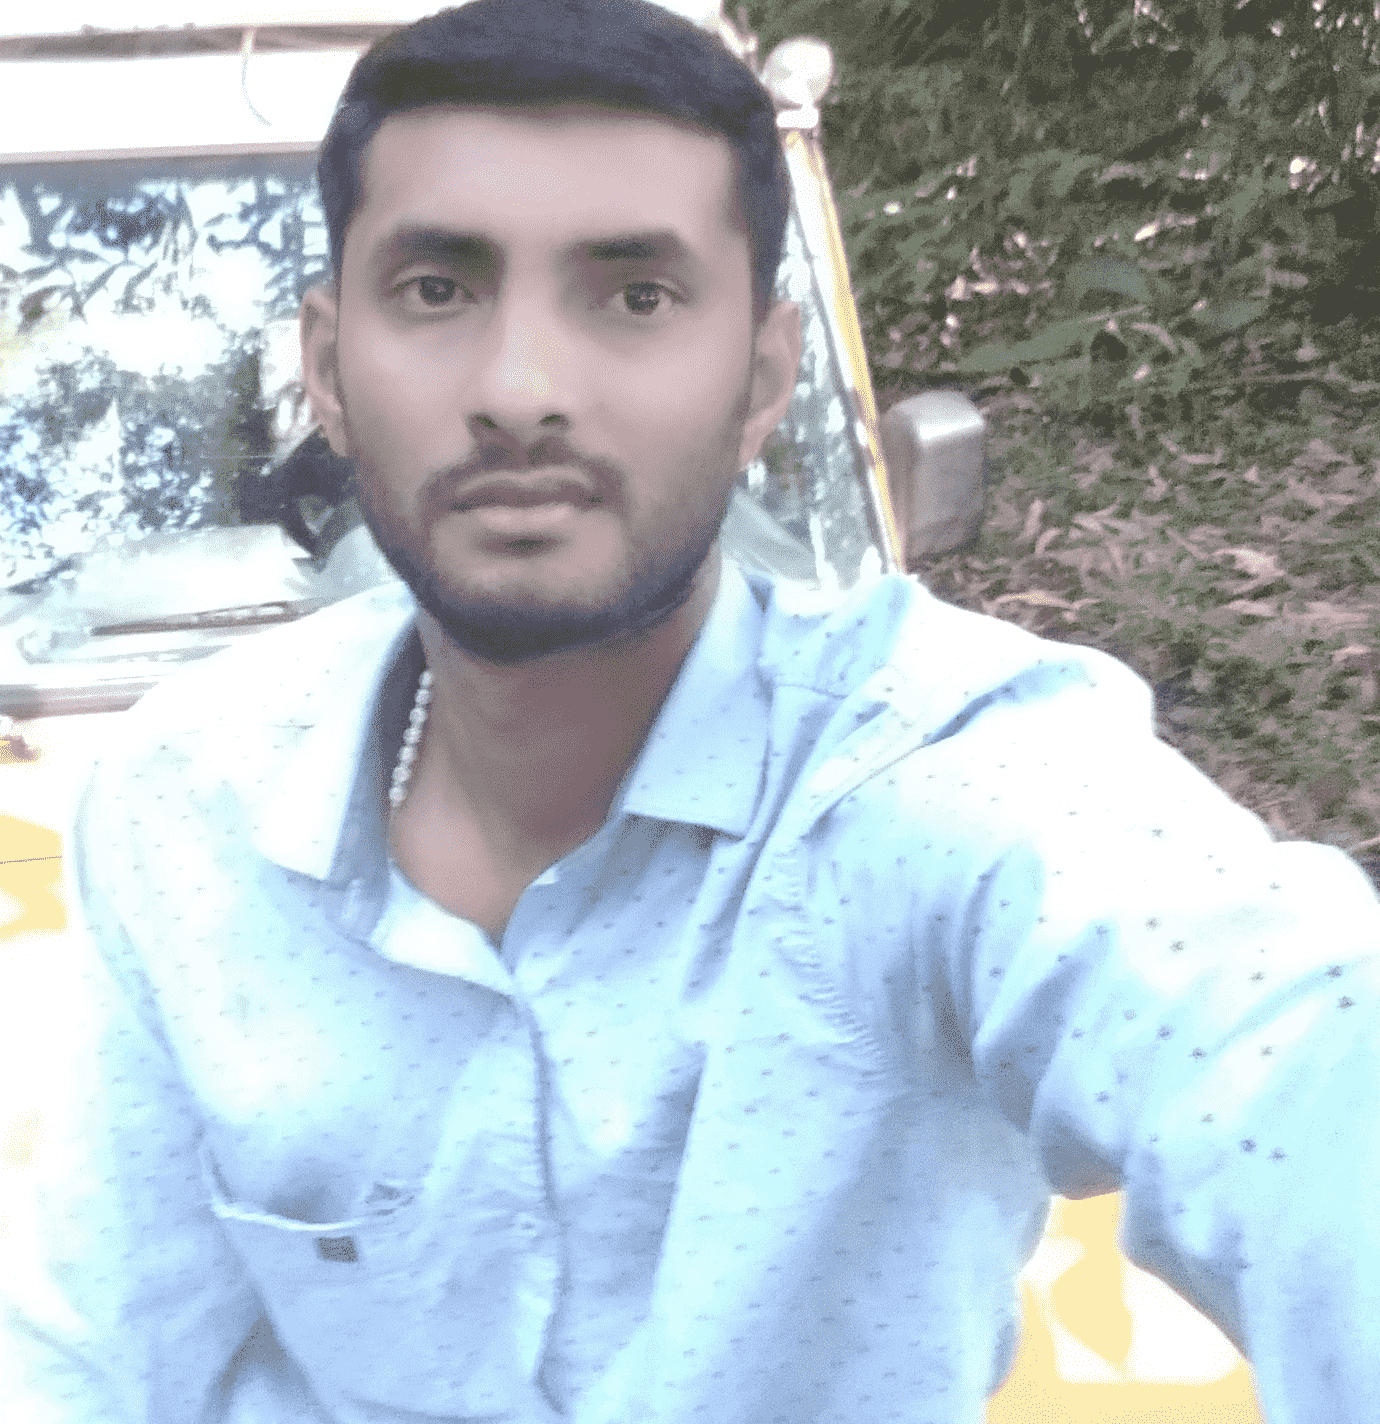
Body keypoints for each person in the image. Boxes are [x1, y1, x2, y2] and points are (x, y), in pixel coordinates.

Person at [4, 1, 1378, 1420]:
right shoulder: (180, 809)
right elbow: (92, 1355)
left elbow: (1284, 1043)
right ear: (328, 367)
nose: (520, 393)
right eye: (436, 289)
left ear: (765, 379)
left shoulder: (932, 790)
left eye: (637, 296)